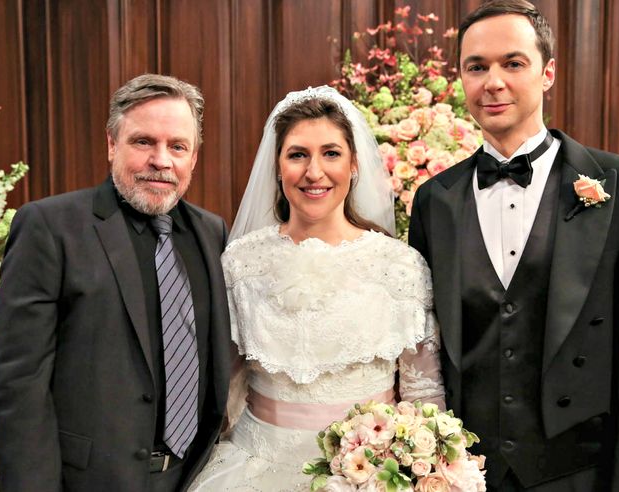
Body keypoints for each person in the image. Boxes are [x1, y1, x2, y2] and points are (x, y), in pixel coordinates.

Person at [409, 1, 619, 490]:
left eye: (513, 63)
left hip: (578, 475)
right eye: (477, 67)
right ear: (461, 79)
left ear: (547, 72)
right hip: (462, 472)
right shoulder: (434, 201)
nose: (493, 82)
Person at [188, 86, 445, 491]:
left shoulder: (400, 266)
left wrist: (429, 469)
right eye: (297, 155)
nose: (314, 172)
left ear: (354, 163)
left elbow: (424, 394)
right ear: (277, 166)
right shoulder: (240, 263)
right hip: (253, 470)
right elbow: (222, 386)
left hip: (370, 479)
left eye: (331, 153)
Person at [0, 74, 231, 491]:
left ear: (193, 158)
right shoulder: (49, 226)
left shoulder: (212, 234)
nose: (161, 160)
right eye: (143, 142)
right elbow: (19, 383)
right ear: (111, 144)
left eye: (177, 146)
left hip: (192, 477)